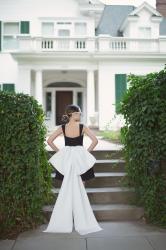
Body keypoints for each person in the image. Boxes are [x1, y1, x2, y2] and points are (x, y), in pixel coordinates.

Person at [43, 104, 103, 235]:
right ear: (73, 114)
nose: (80, 115)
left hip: (68, 159)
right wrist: (86, 152)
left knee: (67, 188)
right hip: (80, 158)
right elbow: (95, 141)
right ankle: (81, 218)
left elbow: (50, 141)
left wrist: (60, 152)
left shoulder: (63, 127)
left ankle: (67, 219)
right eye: (79, 113)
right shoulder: (82, 127)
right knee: (81, 188)